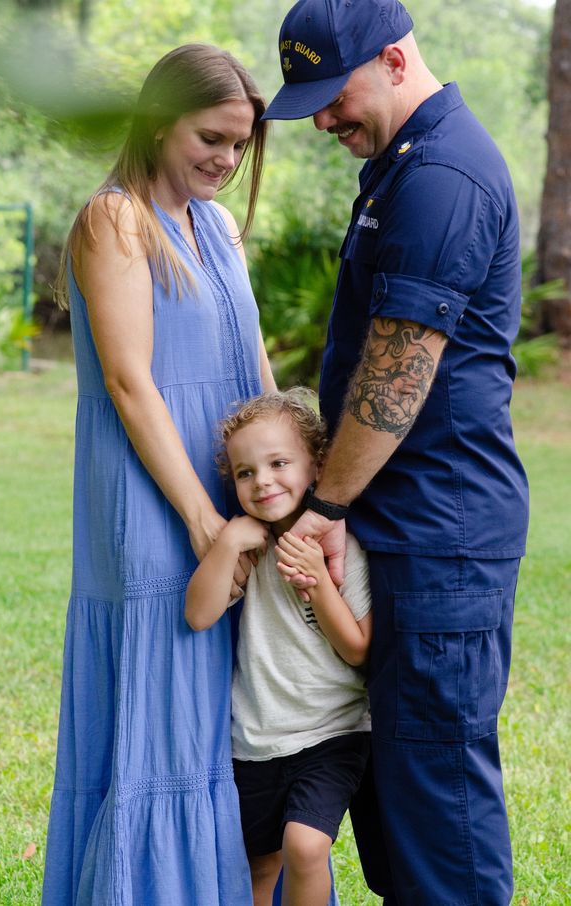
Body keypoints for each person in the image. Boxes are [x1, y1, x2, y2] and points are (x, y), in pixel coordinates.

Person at [262, 2, 530, 904]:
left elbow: (399, 372)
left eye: (333, 97)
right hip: (406, 527)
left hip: (440, 535)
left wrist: (326, 507)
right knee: (399, 819)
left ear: (392, 58)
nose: (325, 120)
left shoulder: (443, 175)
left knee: (440, 825)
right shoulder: (400, 166)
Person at [42, 44, 277, 905]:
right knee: (161, 725)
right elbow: (130, 382)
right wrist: (199, 519)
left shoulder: (215, 226)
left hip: (227, 501)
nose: (225, 159)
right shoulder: (115, 220)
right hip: (152, 510)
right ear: (156, 120)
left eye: (239, 147)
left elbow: (253, 365)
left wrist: (290, 478)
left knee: (220, 732)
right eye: (210, 137)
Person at [185, 390, 373, 906]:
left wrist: (318, 583)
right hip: (254, 740)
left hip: (332, 734)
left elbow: (358, 649)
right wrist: (225, 542)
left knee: (305, 845)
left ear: (316, 466)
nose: (262, 480)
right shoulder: (252, 546)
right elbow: (200, 614)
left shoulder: (342, 547)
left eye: (278, 463)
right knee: (259, 862)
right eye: (245, 473)